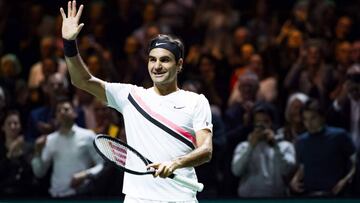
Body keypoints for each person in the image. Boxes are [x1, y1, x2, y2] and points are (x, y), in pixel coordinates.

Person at [60, 1, 213, 202]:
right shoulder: (130, 96)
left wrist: (175, 163)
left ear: (179, 65)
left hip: (181, 198)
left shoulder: (196, 101)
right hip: (138, 198)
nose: (157, 66)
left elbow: (206, 150)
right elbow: (82, 80)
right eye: (152, 59)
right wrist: (69, 44)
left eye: (165, 60)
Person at [31, 97, 104, 198]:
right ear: (56, 116)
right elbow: (39, 172)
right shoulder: (50, 139)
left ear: (74, 113)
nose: (62, 112)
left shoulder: (88, 136)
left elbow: (102, 165)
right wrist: (37, 151)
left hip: (81, 195)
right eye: (59, 110)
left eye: (66, 109)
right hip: (56, 196)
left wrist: (86, 174)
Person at [290, 99, 356, 197]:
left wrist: (345, 181)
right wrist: (295, 180)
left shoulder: (340, 136)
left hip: (335, 194)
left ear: (322, 117)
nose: (309, 123)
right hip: (310, 194)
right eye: (305, 119)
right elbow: (303, 167)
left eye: (313, 118)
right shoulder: (301, 141)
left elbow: (355, 164)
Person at [231, 102, 296, 197]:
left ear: (272, 123)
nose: (261, 126)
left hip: (277, 199)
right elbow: (236, 171)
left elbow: (286, 171)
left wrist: (275, 146)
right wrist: (251, 147)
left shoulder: (285, 146)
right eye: (257, 122)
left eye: (265, 121)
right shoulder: (243, 147)